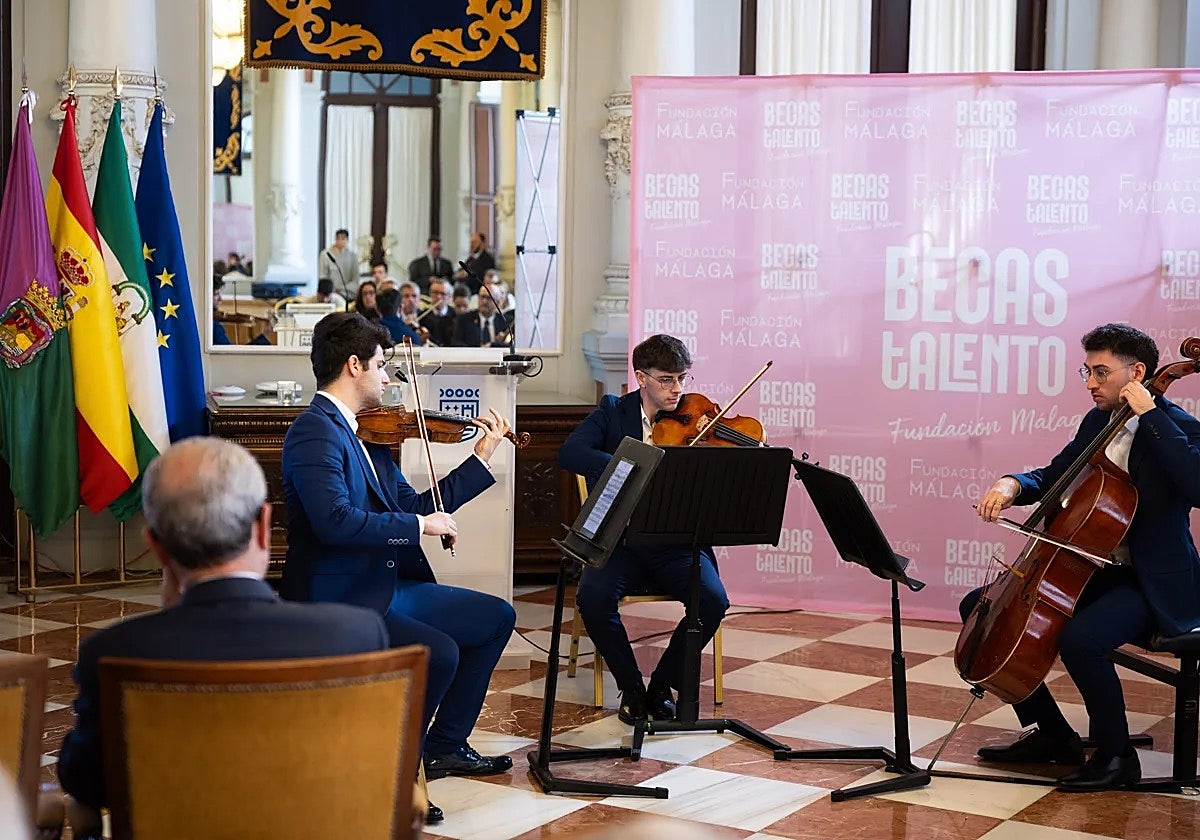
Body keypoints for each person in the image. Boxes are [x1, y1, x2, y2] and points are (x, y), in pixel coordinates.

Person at [57, 437, 391, 812]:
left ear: (155, 545)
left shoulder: (111, 652)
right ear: (264, 526)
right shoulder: (356, 634)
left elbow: (85, 779)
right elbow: (371, 772)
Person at [280, 312, 517, 814]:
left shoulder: (369, 437)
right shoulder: (313, 433)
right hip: (339, 599)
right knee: (442, 652)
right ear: (353, 366)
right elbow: (334, 523)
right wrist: (417, 528)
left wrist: (481, 458)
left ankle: (444, 746)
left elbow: (413, 508)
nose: (387, 379)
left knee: (497, 617)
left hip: (382, 585)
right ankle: (389, 770)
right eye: (382, 367)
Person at [965, 323, 1200, 792]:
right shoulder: (1097, 422)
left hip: (1153, 582)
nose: (1090, 383)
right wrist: (1013, 484)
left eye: (1100, 372)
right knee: (981, 604)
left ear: (1136, 373)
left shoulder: (1177, 427)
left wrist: (1151, 416)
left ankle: (1118, 757)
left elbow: (1196, 486)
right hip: (1100, 568)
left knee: (1082, 640)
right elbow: (1057, 475)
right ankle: (1052, 735)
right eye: (1086, 371)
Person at [558, 334, 729, 724]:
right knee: (593, 600)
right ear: (641, 377)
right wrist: (630, 464)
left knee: (714, 600)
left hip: (677, 543)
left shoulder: (696, 421)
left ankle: (662, 685)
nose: (678, 389)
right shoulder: (612, 411)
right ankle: (631, 686)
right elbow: (571, 452)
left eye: (682, 378)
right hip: (621, 542)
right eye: (667, 379)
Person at [452, 282, 509, 347]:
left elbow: (511, 345)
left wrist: (494, 345)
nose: (484, 301)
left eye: (489, 298)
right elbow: (456, 343)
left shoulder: (505, 322)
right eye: (482, 297)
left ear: (498, 302)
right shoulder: (464, 320)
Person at [319, 228, 359, 301]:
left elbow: (355, 280)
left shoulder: (353, 256)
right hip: (330, 293)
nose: (341, 241)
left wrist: (341, 289)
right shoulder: (326, 254)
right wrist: (331, 289)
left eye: (343, 239)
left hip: (348, 293)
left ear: (347, 240)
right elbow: (323, 276)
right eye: (338, 238)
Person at [421, 278, 456, 346]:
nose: (438, 296)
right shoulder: (422, 316)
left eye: (443, 294)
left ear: (449, 297)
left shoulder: (455, 316)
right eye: (435, 292)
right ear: (430, 294)